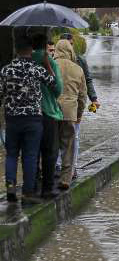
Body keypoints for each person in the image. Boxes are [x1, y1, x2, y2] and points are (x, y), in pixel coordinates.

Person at [0, 31, 56, 204]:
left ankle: (10, 187)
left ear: (16, 50)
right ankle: (28, 193)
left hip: (12, 119)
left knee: (11, 154)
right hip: (33, 119)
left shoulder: (6, 70)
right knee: (30, 155)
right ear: (31, 50)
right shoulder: (36, 69)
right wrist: (47, 63)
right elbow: (53, 84)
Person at [59, 33, 99, 179]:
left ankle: (71, 167)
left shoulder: (80, 61)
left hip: (73, 105)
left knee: (73, 137)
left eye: (70, 44)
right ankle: (61, 168)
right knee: (62, 138)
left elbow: (87, 81)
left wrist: (93, 99)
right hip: (67, 107)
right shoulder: (53, 62)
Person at [32, 34, 64, 199]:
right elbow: (58, 89)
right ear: (46, 46)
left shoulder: (24, 61)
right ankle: (47, 189)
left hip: (29, 113)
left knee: (32, 152)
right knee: (49, 152)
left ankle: (31, 187)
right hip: (48, 112)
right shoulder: (49, 62)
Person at [54, 40, 87, 190]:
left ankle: (47, 175)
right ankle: (66, 179)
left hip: (51, 112)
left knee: (50, 145)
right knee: (68, 146)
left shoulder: (49, 66)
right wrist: (79, 114)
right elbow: (82, 96)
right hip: (70, 113)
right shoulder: (78, 69)